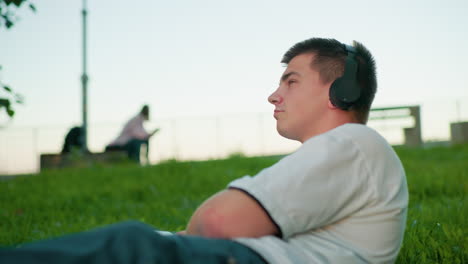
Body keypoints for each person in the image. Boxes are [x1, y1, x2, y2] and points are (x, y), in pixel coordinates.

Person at [0, 38, 408, 264]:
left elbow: (217, 222)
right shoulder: (351, 156)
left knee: (129, 245)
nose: (273, 95)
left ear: (342, 90)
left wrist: (181, 236)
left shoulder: (354, 144)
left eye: (291, 81)